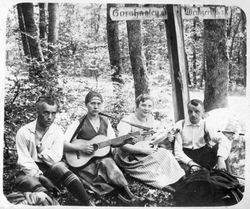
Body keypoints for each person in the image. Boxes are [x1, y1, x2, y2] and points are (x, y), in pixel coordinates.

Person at [63, 91, 139, 204]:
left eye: (99, 103)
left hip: (102, 158)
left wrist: (125, 141)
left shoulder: (105, 121)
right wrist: (80, 147)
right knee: (105, 167)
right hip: (84, 162)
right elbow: (62, 143)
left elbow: (112, 142)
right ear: (86, 105)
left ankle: (129, 194)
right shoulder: (78, 123)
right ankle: (123, 197)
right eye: (92, 103)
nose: (96, 106)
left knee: (108, 163)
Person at [15, 95, 91, 206]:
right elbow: (24, 161)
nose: (50, 117)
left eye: (53, 113)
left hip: (49, 168)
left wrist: (41, 149)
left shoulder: (57, 131)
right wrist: (40, 176)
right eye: (45, 112)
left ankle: (87, 203)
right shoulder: (24, 132)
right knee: (35, 187)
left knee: (60, 167)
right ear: (38, 111)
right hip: (27, 172)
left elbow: (54, 159)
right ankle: (49, 200)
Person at [113, 94, 185, 190]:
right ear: (137, 106)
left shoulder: (150, 118)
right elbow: (122, 145)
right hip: (128, 156)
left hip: (144, 148)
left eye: (149, 106)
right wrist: (143, 151)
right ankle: (162, 184)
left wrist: (163, 137)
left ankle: (179, 177)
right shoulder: (127, 121)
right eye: (143, 105)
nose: (146, 109)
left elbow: (149, 139)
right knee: (153, 163)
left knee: (165, 154)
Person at [173, 99, 232, 173]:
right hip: (186, 158)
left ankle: (227, 174)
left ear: (203, 112)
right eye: (190, 111)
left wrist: (221, 158)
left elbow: (224, 140)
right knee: (187, 175)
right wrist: (191, 163)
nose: (193, 114)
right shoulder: (180, 125)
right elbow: (178, 152)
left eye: (197, 111)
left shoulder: (206, 124)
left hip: (203, 157)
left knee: (220, 148)